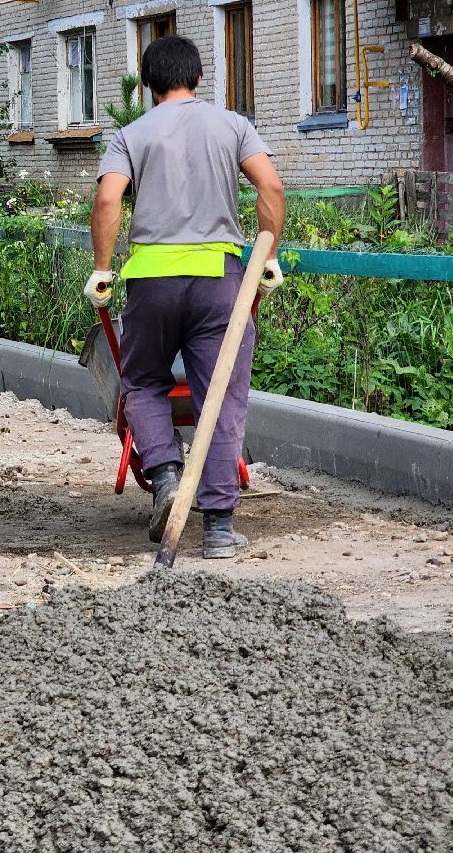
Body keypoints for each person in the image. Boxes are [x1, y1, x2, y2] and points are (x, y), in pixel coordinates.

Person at [85, 35, 285, 559]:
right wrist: (267, 257)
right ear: (197, 78)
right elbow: (271, 188)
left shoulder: (131, 134)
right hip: (219, 279)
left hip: (151, 280)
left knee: (142, 381)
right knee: (220, 395)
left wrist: (103, 268)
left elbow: (108, 197)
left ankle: (166, 475)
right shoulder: (233, 125)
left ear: (148, 85)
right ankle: (218, 528)